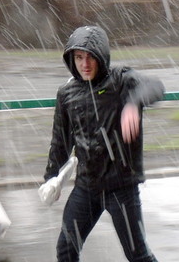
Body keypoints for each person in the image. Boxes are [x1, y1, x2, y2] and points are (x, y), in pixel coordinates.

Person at [43, 25, 164, 262]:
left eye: (90, 57)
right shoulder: (67, 93)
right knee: (66, 250)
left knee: (138, 255)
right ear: (71, 59)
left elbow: (155, 87)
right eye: (79, 58)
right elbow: (60, 141)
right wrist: (50, 178)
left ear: (101, 57)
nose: (84, 64)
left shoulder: (120, 80)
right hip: (86, 187)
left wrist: (132, 103)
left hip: (121, 187)